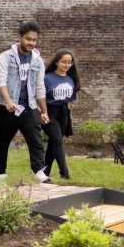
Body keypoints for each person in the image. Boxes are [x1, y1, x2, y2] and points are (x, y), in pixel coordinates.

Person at [0, 20, 49, 181]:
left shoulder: (38, 61)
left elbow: (40, 87)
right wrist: (9, 101)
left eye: (34, 40)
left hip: (29, 106)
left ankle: (39, 170)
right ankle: (1, 172)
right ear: (20, 38)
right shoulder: (6, 57)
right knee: (3, 141)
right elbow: (0, 81)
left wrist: (44, 111)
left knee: (35, 138)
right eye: (28, 39)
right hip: (7, 106)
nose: (31, 42)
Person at [42, 49, 79, 180]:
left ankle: (45, 172)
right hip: (49, 111)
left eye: (70, 62)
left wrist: (68, 114)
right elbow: (40, 97)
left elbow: (70, 100)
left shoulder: (71, 78)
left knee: (54, 143)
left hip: (64, 113)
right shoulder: (47, 78)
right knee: (57, 141)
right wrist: (43, 113)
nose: (67, 65)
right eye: (64, 62)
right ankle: (65, 174)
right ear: (57, 62)